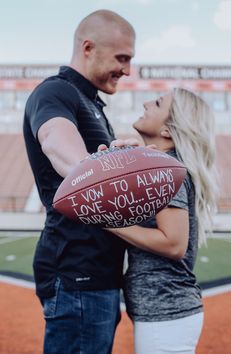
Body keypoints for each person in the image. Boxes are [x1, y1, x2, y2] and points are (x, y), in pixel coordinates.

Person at [23, 10, 135, 354]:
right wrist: (91, 169)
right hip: (77, 274)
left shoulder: (91, 102)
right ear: (88, 48)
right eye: (122, 58)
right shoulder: (56, 92)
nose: (127, 70)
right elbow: (57, 140)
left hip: (94, 274)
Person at [106, 88, 218, 354]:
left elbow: (173, 244)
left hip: (167, 311)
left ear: (168, 130)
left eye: (157, 103)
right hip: (165, 312)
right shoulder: (162, 165)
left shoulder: (166, 168)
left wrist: (108, 222)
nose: (145, 102)